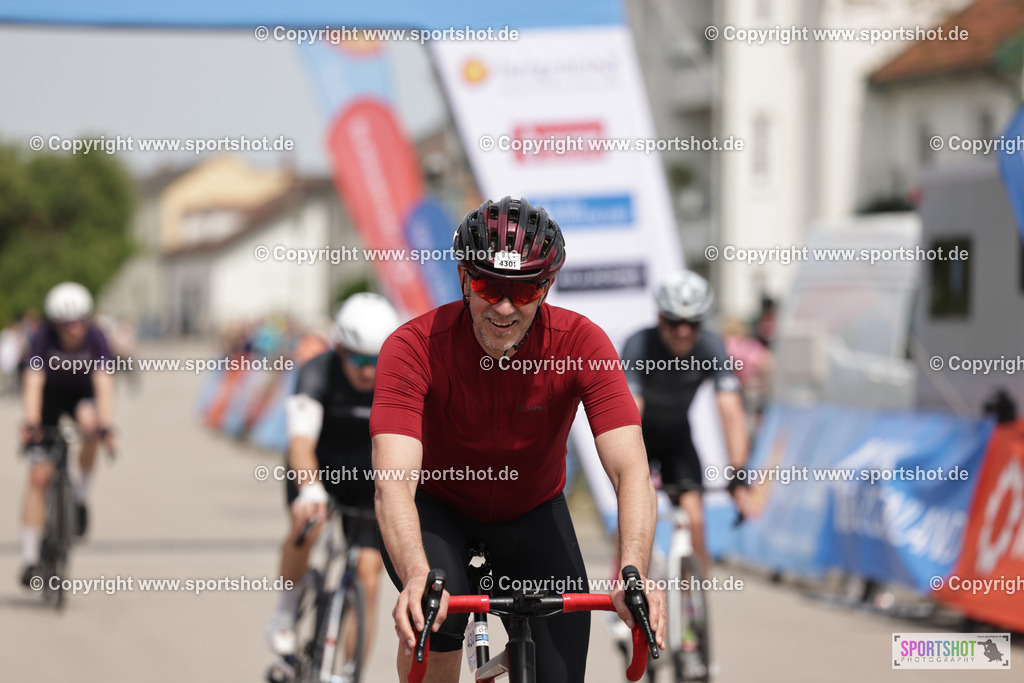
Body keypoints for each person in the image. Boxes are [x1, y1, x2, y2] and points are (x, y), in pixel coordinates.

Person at [371, 196, 667, 683]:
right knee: (439, 624)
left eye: (526, 291)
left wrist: (632, 570)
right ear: (465, 279)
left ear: (547, 287)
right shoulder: (412, 347)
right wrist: (418, 574)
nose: (505, 308)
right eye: (490, 285)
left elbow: (630, 469)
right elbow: (394, 482)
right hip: (438, 510)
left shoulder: (582, 343)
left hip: (533, 513)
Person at [266, 293, 401, 674]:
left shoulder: (398, 379)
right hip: (317, 471)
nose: (368, 371)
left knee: (369, 577)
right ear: (339, 347)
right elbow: (300, 443)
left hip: (368, 480)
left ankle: (346, 671)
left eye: (376, 360)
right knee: (307, 524)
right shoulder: (316, 372)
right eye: (358, 358)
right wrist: (310, 489)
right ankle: (285, 613)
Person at [621, 271, 751, 576]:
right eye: (673, 321)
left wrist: (739, 473)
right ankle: (624, 586)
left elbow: (730, 409)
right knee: (632, 520)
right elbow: (630, 410)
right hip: (640, 436)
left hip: (678, 439)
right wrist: (631, 466)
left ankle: (695, 606)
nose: (682, 331)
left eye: (692, 323)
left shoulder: (709, 346)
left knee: (695, 519)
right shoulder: (640, 345)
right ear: (659, 317)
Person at [19, 282, 117, 586]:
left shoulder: (97, 338)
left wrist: (106, 425)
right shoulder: (43, 339)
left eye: (79, 322)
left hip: (80, 396)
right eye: (65, 324)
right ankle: (30, 557)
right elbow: (33, 379)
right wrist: (32, 422)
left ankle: (80, 498)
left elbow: (103, 381)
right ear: (55, 323)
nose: (73, 330)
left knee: (91, 426)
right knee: (39, 476)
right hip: (49, 398)